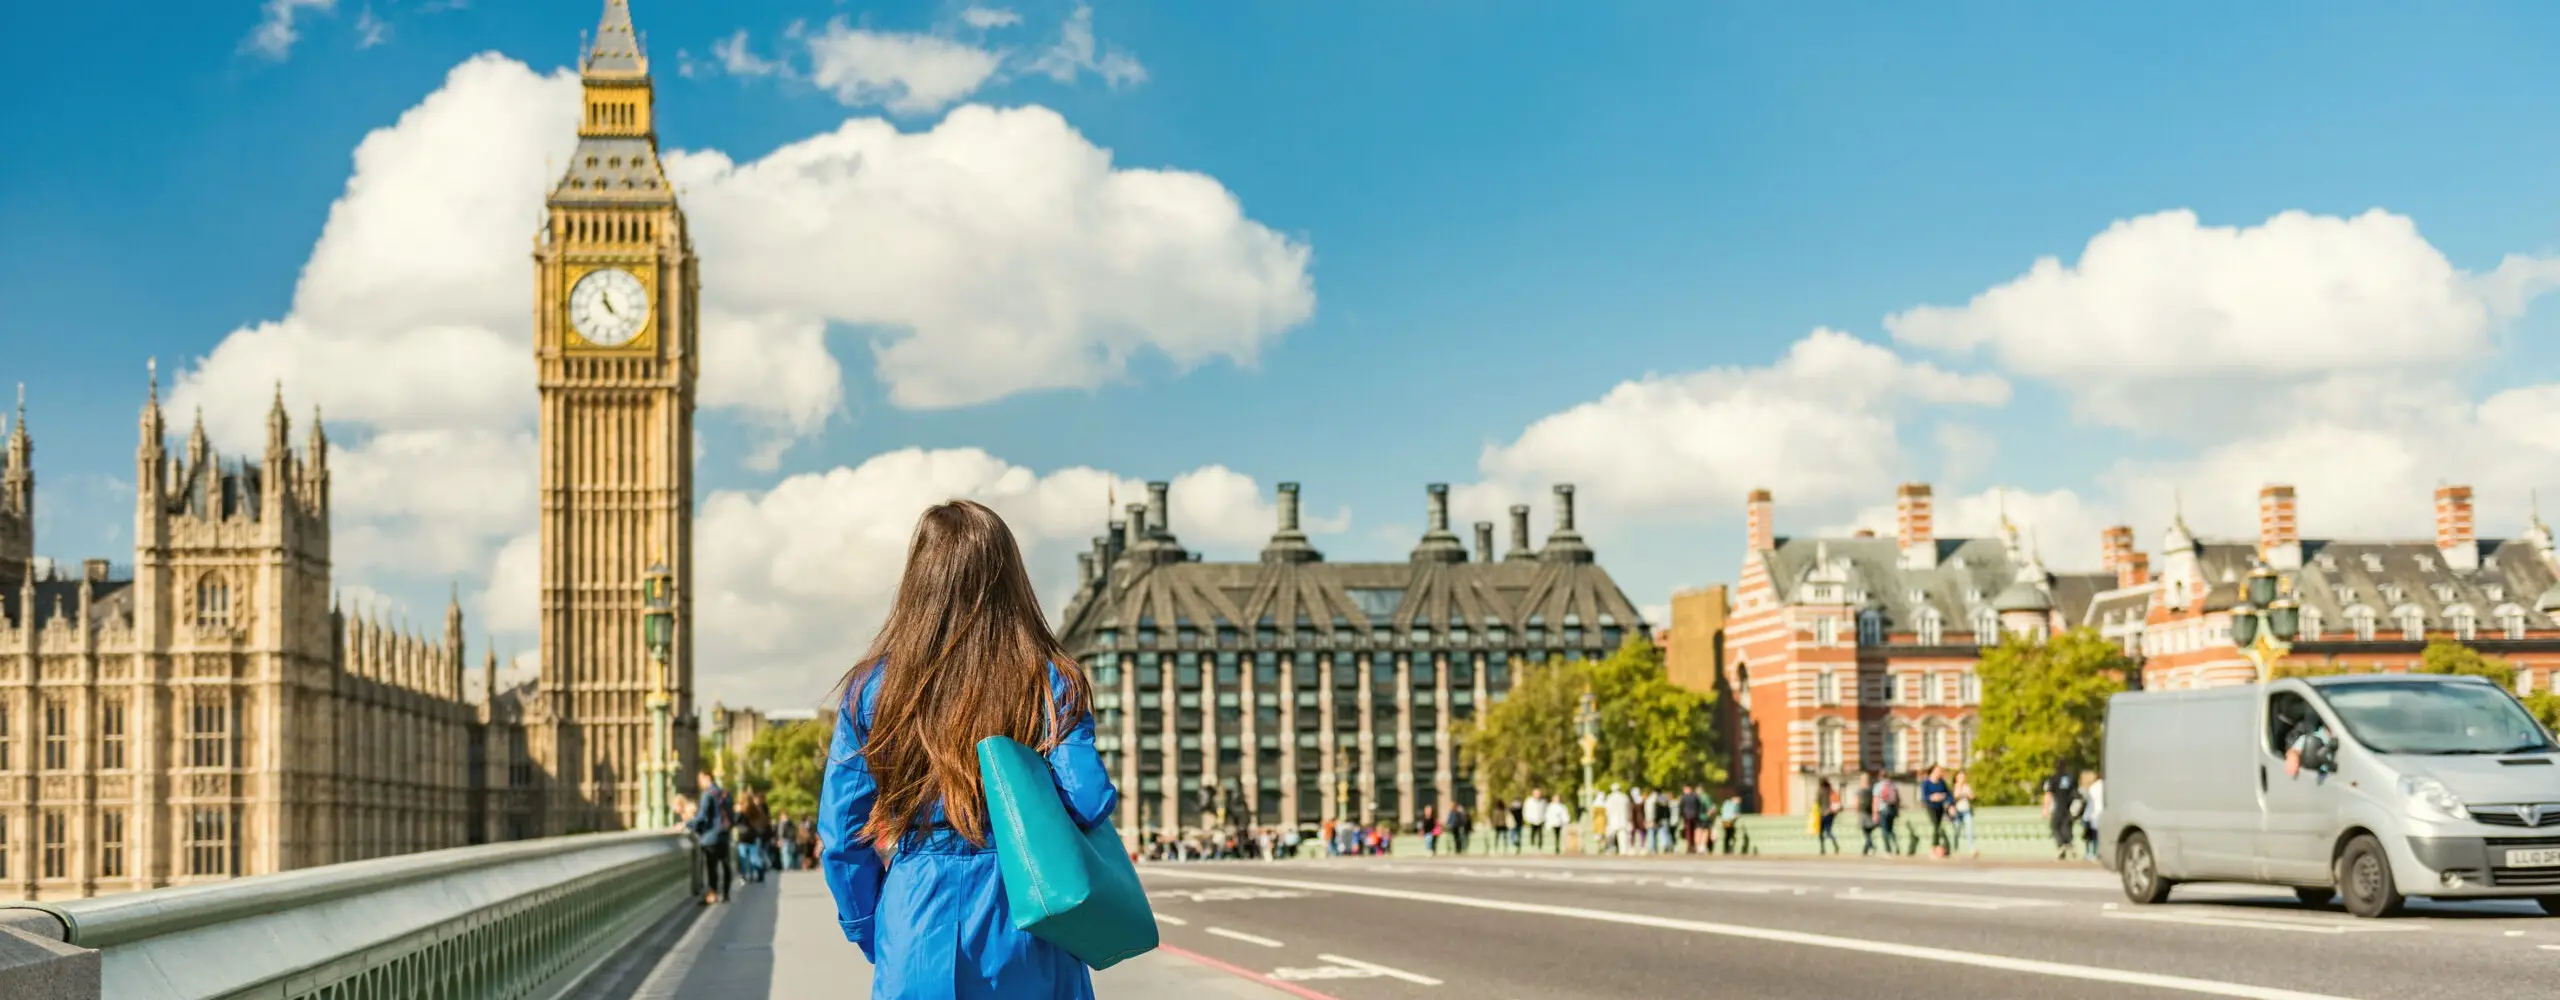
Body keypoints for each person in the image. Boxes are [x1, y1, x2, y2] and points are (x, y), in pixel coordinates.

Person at [818, 499, 1118, 1000]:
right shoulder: (1049, 680)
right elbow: (1088, 798)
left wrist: (878, 928)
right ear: (1010, 579)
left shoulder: (870, 689)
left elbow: (843, 838)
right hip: (1028, 912)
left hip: (916, 912)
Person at [690, 768, 733, 904]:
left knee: (711, 867)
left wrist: (687, 824)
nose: (699, 783)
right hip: (724, 835)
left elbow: (702, 817)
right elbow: (731, 815)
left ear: (706, 777)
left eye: (700, 780)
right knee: (725, 864)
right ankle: (725, 894)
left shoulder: (707, 795)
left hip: (710, 837)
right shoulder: (725, 794)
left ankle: (712, 894)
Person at [2040, 761, 2081, 861]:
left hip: (2059, 805)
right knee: (2066, 826)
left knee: (2055, 826)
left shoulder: (2053, 778)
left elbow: (2048, 794)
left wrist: (2045, 808)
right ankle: (2069, 844)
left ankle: (2062, 844)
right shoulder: (2072, 777)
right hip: (2071, 806)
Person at [1920, 766, 1951, 857]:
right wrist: (1932, 797)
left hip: (1940, 806)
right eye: (1937, 771)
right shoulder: (1926, 783)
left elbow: (1948, 794)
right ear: (1932, 772)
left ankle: (1938, 848)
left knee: (1938, 825)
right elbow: (1924, 797)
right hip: (1931, 806)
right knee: (1936, 826)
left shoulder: (1942, 782)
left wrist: (1948, 802)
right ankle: (1933, 848)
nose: (1939, 773)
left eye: (1940, 771)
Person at [1951, 770, 1978, 859]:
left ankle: (1972, 849)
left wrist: (1967, 793)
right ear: (1956, 778)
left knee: (1969, 829)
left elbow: (1973, 797)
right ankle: (1955, 849)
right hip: (1957, 811)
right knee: (1957, 830)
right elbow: (1953, 798)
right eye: (1960, 776)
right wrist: (1959, 794)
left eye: (1963, 777)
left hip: (1966, 810)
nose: (1962, 778)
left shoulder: (1967, 786)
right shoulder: (1954, 787)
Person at [1875, 772, 1903, 856]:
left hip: (1882, 809)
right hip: (1892, 809)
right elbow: (1898, 799)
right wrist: (1897, 811)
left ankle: (1888, 849)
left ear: (1880, 776)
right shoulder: (1893, 785)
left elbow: (1875, 800)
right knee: (1891, 829)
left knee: (1884, 830)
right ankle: (1896, 846)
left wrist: (1875, 813)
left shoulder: (1878, 786)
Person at [1603, 784, 1633, 854]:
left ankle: (1610, 850)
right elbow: (1628, 809)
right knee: (1622, 838)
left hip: (1612, 821)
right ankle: (1623, 851)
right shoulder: (1624, 797)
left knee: (1611, 838)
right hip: (1622, 820)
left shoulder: (1609, 798)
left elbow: (1607, 811)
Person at [1856, 772, 1881, 856]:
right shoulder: (1871, 789)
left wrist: (1857, 813)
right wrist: (1875, 813)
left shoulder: (1860, 790)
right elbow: (1875, 802)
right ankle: (1866, 849)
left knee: (1866, 832)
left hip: (1863, 813)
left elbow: (1857, 803)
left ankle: (1870, 846)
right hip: (1870, 813)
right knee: (1868, 832)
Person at [1815, 778, 1841, 854]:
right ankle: (1835, 844)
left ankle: (1822, 848)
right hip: (1831, 813)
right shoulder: (1831, 791)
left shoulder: (1820, 791)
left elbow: (1817, 802)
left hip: (1823, 813)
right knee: (1828, 831)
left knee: (1821, 832)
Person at [1678, 786, 1705, 854]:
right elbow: (1699, 805)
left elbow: (1681, 807)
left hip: (1687, 816)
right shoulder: (1695, 796)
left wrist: (1681, 815)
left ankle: (1689, 846)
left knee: (1688, 832)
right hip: (1694, 816)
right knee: (1694, 831)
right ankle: (1693, 846)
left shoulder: (1683, 797)